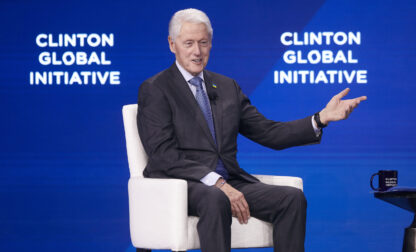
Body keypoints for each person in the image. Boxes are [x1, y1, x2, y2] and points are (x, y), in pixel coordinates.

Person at [137, 8, 366, 252]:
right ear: (172, 44)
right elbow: (163, 155)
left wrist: (320, 119)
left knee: (291, 199)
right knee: (215, 198)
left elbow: (269, 133)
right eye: (189, 43)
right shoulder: (156, 89)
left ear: (211, 44)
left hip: (231, 180)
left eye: (203, 43)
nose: (197, 51)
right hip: (183, 184)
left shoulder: (225, 87)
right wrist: (218, 184)